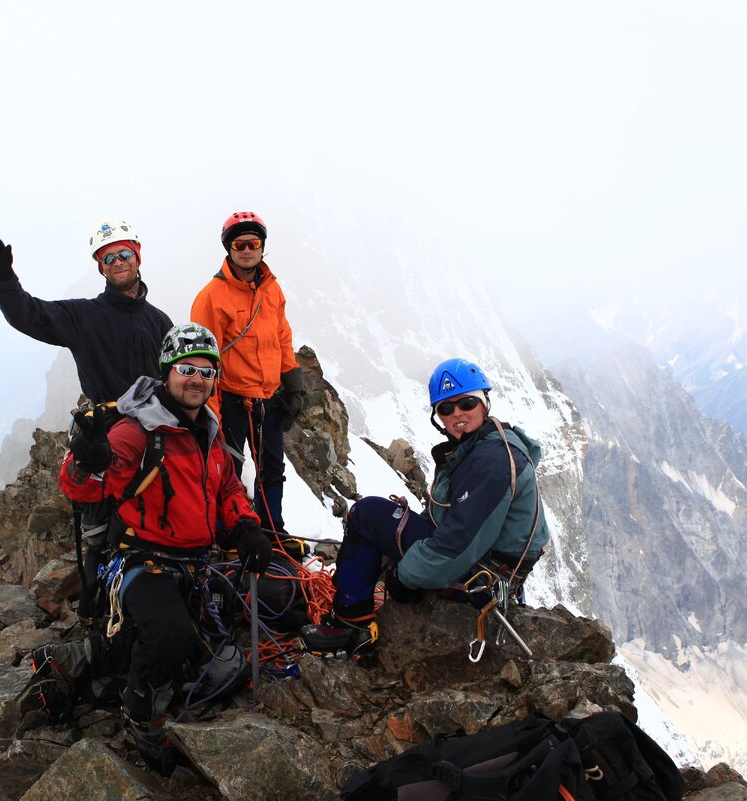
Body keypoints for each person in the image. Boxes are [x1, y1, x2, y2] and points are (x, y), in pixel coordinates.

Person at [51, 322, 273, 773]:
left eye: (206, 371)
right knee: (170, 636)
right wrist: (86, 459)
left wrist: (249, 528)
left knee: (207, 638)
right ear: (167, 371)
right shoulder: (138, 433)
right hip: (140, 560)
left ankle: (89, 656)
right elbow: (84, 490)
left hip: (193, 563)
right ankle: (142, 716)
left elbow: (228, 489)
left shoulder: (207, 430)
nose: (196, 379)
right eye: (186, 368)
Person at [301, 358, 551, 657]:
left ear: (485, 402)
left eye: (467, 403)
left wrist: (404, 576)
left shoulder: (491, 462)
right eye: (446, 408)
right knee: (380, 520)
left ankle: (349, 626)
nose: (457, 414)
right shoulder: (482, 447)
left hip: (477, 577)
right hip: (494, 570)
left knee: (367, 515)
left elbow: (458, 544)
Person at [0, 220, 173, 405]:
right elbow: (27, 314)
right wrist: (3, 278)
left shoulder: (160, 322)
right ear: (101, 267)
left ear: (137, 258)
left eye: (124, 254)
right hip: (111, 432)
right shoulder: (82, 316)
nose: (118, 262)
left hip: (161, 428)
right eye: (108, 258)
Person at [190, 211, 304, 532]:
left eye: (253, 243)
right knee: (226, 469)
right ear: (229, 249)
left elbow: (282, 336)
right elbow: (203, 362)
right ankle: (229, 534)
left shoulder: (272, 289)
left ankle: (272, 531)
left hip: (268, 399)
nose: (247, 250)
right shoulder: (211, 297)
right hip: (230, 401)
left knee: (272, 469)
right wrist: (209, 417)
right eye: (239, 244)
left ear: (262, 246)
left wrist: (293, 384)